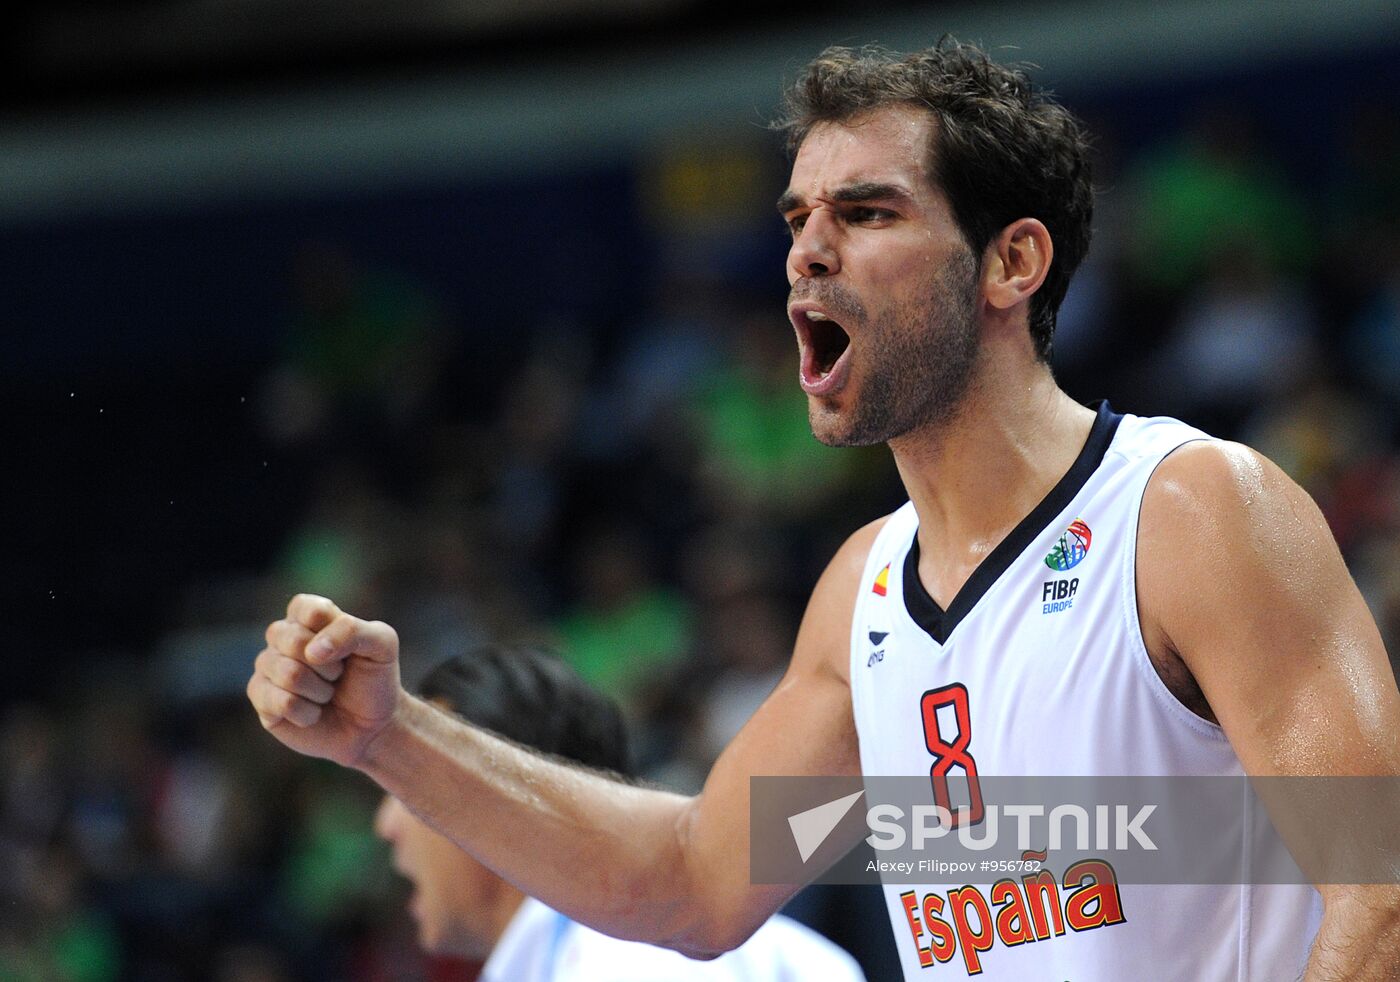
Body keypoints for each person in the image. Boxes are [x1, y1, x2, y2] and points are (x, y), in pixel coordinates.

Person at [247, 40, 1400, 980]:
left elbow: (1380, 891)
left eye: (865, 211)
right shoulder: (864, 600)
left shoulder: (1188, 512)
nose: (805, 253)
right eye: (797, 219)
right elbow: (696, 883)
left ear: (1010, 263)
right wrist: (391, 737)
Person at [373, 642, 865, 980]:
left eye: (411, 790)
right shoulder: (583, 956)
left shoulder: (626, 960)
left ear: (496, 798)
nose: (386, 824)